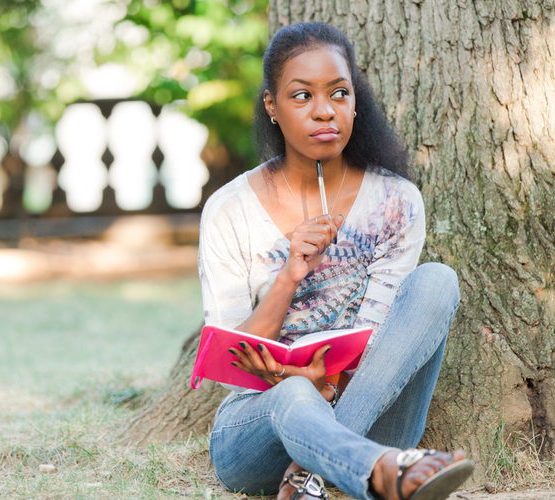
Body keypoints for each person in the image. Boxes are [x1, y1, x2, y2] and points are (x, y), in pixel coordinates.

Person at [198, 22, 474, 500]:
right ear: (272, 106)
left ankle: (316, 472)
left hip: (371, 413)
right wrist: (289, 276)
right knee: (295, 394)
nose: (324, 111)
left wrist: (329, 386)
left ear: (354, 101)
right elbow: (231, 358)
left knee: (437, 281)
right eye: (301, 96)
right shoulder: (229, 210)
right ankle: (378, 472)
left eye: (339, 93)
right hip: (257, 430)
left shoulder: (397, 200)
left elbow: (381, 342)